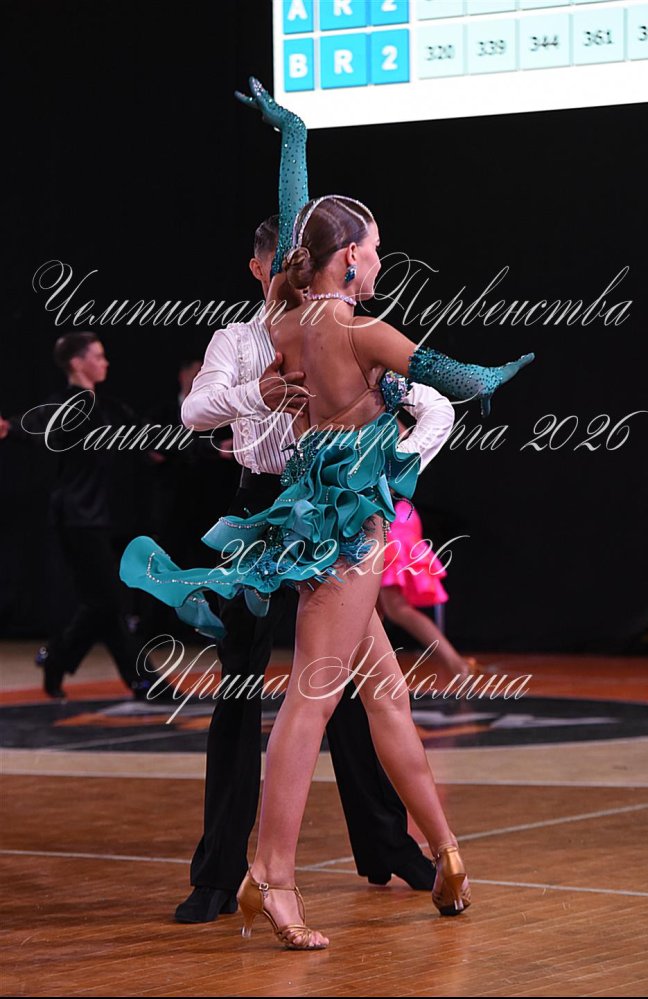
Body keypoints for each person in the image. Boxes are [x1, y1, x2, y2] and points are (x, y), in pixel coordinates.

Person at [119, 83, 535, 950]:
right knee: (310, 703)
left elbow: (297, 224)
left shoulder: (288, 323)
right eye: (374, 250)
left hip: (314, 519)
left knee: (386, 695)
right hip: (345, 535)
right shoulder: (364, 333)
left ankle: (447, 851)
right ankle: (270, 878)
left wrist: (295, 135)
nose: (381, 261)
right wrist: (495, 378)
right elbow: (455, 377)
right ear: (347, 258)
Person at [173, 214, 458, 923]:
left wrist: (385, 472)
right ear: (260, 267)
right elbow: (194, 411)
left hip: (336, 516)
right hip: (260, 512)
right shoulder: (240, 339)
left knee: (357, 690)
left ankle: (389, 844)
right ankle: (223, 872)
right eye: (280, 261)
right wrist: (257, 394)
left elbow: (436, 404)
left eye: (299, 258)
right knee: (244, 686)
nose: (292, 272)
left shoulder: (344, 331)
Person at [0, 333, 169, 701]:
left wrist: (190, 448)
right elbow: (34, 424)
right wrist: (9, 427)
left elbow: (142, 434)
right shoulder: (64, 406)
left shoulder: (109, 408)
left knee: (101, 604)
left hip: (104, 517)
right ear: (77, 363)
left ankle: (57, 659)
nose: (105, 362)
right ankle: (145, 681)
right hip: (76, 517)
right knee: (110, 601)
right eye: (98, 356)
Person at [378, 494, 480, 681]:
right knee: (380, 611)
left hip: (393, 520)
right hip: (394, 516)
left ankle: (457, 664)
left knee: (396, 608)